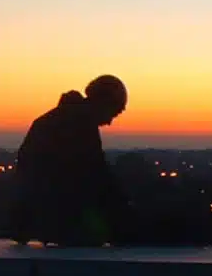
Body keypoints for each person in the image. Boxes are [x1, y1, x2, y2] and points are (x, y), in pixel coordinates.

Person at [11, 75, 134, 246]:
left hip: (40, 217)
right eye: (113, 112)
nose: (110, 122)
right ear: (103, 102)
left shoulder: (62, 119)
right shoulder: (79, 125)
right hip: (56, 218)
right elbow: (95, 175)